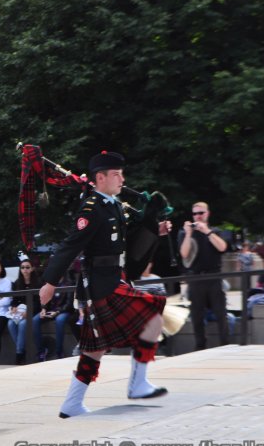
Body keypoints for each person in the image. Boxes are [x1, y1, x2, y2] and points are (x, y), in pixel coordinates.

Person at [38, 151, 170, 418]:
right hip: (100, 283)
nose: (122, 178)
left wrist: (154, 227)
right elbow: (71, 245)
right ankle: (137, 384)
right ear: (100, 178)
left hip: (114, 278)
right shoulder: (91, 209)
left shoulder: (113, 205)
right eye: (116, 174)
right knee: (154, 312)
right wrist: (49, 282)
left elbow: (128, 241)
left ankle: (72, 404)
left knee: (94, 348)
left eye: (122, 173)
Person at [178, 201, 230, 350]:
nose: (198, 216)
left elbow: (222, 247)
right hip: (195, 278)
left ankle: (225, 345)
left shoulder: (215, 231)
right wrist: (188, 234)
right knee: (197, 316)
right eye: (195, 213)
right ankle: (200, 347)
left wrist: (207, 232)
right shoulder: (185, 233)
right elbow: (184, 254)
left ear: (207, 214)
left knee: (221, 313)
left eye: (201, 213)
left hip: (214, 277)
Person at [33, 269, 72, 361]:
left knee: (60, 320)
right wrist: (43, 308)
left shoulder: (69, 283)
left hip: (63, 311)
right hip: (50, 311)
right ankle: (41, 352)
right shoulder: (49, 284)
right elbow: (44, 298)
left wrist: (57, 312)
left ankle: (59, 352)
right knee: (35, 320)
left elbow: (69, 304)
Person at [8, 259, 42, 364]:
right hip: (20, 312)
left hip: (35, 311)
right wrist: (13, 307)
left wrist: (29, 312)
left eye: (27, 267)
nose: (25, 270)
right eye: (22, 267)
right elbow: (14, 300)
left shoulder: (38, 282)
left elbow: (39, 302)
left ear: (32, 269)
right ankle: (21, 350)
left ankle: (19, 354)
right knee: (10, 324)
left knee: (23, 324)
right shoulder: (17, 283)